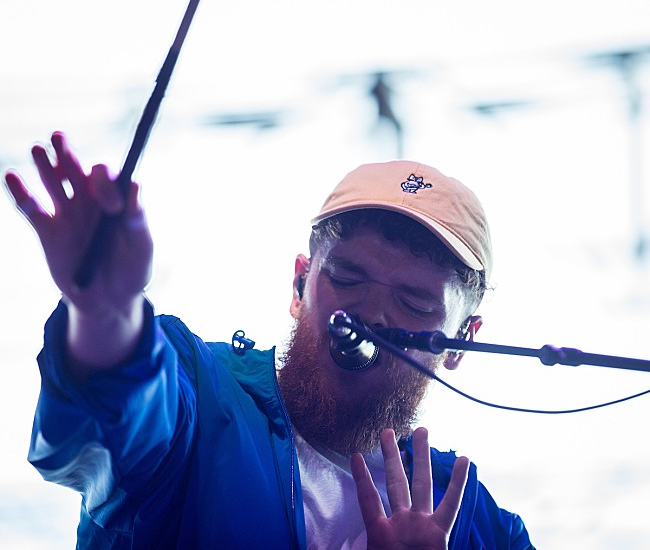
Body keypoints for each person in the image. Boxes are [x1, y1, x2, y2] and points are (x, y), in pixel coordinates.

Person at [4, 131, 535, 549]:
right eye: (346, 278)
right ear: (300, 283)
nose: (370, 312)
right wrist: (104, 307)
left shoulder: (480, 527)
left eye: (415, 303)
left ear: (462, 341)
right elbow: (107, 417)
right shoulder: (200, 403)